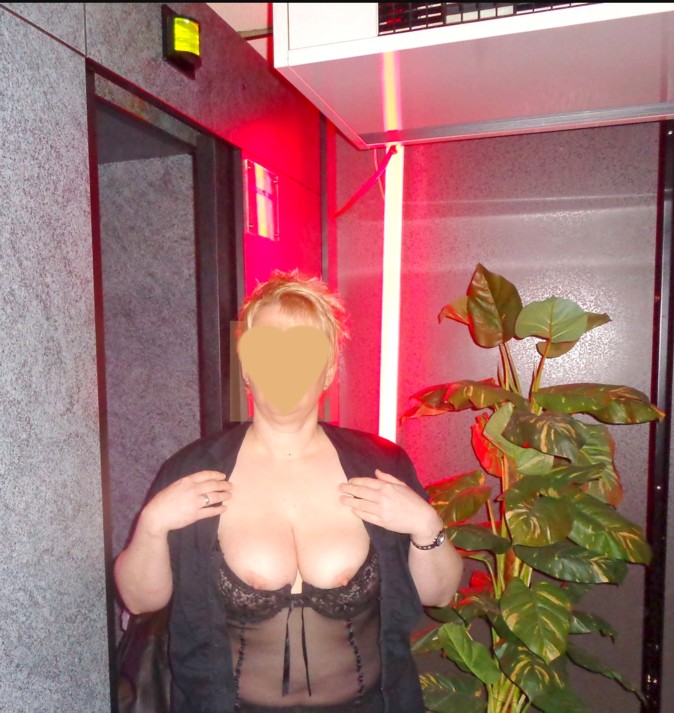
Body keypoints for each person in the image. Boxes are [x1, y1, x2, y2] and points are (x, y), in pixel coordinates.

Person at [114, 270, 463, 713]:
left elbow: (439, 594)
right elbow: (140, 600)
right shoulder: (192, 469)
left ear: (329, 369)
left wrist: (426, 526)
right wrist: (151, 526)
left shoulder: (381, 465)